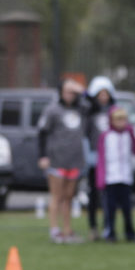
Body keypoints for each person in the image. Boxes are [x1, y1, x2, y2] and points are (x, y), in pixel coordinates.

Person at [37, 78, 89, 244]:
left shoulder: (81, 108)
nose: (70, 94)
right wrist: (42, 156)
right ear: (60, 92)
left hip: (74, 160)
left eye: (73, 92)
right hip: (57, 160)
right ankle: (55, 230)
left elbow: (96, 104)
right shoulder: (52, 110)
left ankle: (67, 230)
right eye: (67, 91)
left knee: (69, 197)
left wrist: (82, 90)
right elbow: (42, 133)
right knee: (57, 196)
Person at [96, 106, 135, 242]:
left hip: (125, 177)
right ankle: (110, 232)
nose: (121, 123)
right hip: (111, 178)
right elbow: (101, 158)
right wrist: (101, 178)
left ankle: (130, 232)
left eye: (123, 120)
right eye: (118, 120)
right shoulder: (106, 136)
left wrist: (133, 134)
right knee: (110, 208)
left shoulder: (128, 134)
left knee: (127, 208)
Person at [85, 76, 117, 241]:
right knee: (94, 194)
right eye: (100, 94)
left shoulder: (114, 112)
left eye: (106, 93)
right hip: (94, 159)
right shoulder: (89, 112)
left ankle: (108, 227)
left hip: (111, 160)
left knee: (109, 195)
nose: (103, 97)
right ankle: (93, 227)